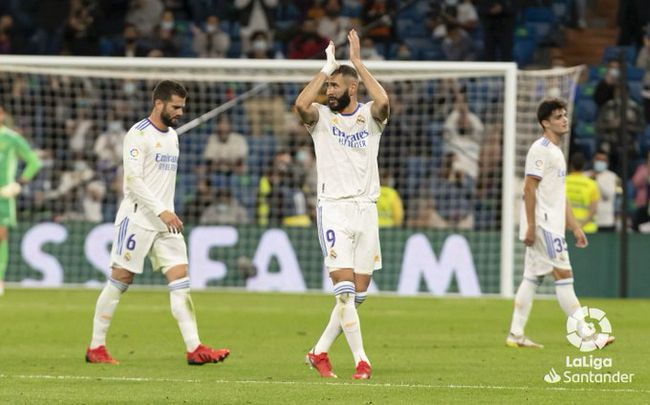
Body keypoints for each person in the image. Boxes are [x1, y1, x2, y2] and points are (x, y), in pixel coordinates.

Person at [85, 80, 230, 365]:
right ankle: (96, 347)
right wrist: (161, 210)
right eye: (176, 107)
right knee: (120, 279)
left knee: (180, 280)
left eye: (183, 108)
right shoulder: (137, 135)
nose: (180, 112)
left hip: (166, 221)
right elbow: (132, 181)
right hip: (138, 218)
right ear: (159, 103)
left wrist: (166, 212)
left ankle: (194, 348)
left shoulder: (173, 136)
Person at [295, 29, 389, 379]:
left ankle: (318, 351)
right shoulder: (320, 118)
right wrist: (327, 67)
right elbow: (301, 105)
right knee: (346, 292)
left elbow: (384, 102)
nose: (328, 91)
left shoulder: (369, 117)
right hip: (333, 208)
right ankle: (362, 361)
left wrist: (358, 64)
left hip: (366, 210)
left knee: (357, 295)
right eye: (327, 86)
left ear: (351, 89)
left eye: (334, 86)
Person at [506, 99, 615, 349]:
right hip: (543, 223)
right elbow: (529, 187)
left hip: (550, 223)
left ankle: (515, 333)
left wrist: (575, 226)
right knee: (564, 275)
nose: (564, 119)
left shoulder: (556, 152)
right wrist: (531, 225)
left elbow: (559, 194)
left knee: (532, 277)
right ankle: (587, 336)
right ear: (545, 123)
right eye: (558, 117)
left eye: (565, 115)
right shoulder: (541, 149)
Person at [0, 104, 42, 296]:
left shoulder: (12, 138)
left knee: (1, 236)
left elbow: (34, 162)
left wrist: (18, 184)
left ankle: (0, 279)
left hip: (3, 196)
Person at [566, 152, 600, 233]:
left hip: (566, 227)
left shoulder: (562, 182)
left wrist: (572, 226)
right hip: (587, 229)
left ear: (571, 165)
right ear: (583, 165)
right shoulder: (592, 184)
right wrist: (580, 226)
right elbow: (593, 209)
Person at [587, 151, 621, 232]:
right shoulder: (586, 175)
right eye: (598, 159)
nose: (600, 162)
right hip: (588, 222)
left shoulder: (612, 176)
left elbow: (609, 195)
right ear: (593, 160)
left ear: (607, 163)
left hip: (606, 221)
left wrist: (596, 181)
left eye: (603, 160)